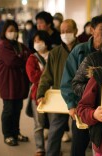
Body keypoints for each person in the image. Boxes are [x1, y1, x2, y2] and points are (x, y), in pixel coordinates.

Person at [60, 15, 102, 156]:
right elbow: (67, 81)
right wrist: (71, 104)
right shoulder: (79, 51)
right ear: (92, 30)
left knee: (101, 146)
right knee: (78, 146)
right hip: (81, 108)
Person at [36, 19, 79, 156]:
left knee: (79, 131)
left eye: (68, 31)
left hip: (79, 97)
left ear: (76, 31)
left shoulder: (83, 50)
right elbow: (46, 75)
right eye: (62, 31)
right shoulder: (55, 53)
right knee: (55, 129)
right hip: (59, 97)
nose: (65, 34)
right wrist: (41, 92)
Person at [0, 20, 31, 146]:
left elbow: (29, 55)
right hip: (8, 83)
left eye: (15, 30)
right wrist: (23, 57)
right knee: (9, 110)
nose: (13, 33)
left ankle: (16, 133)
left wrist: (22, 56)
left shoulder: (19, 45)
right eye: (10, 30)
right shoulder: (2, 46)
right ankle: (7, 135)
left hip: (18, 83)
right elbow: (12, 61)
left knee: (17, 109)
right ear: (4, 31)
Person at [26, 30, 52, 156]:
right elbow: (33, 78)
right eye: (35, 41)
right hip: (37, 95)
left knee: (54, 124)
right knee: (39, 124)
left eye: (39, 41)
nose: (37, 43)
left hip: (53, 96)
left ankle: (53, 149)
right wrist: (48, 75)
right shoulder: (32, 58)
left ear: (46, 42)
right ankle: (40, 149)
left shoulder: (53, 55)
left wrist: (43, 74)